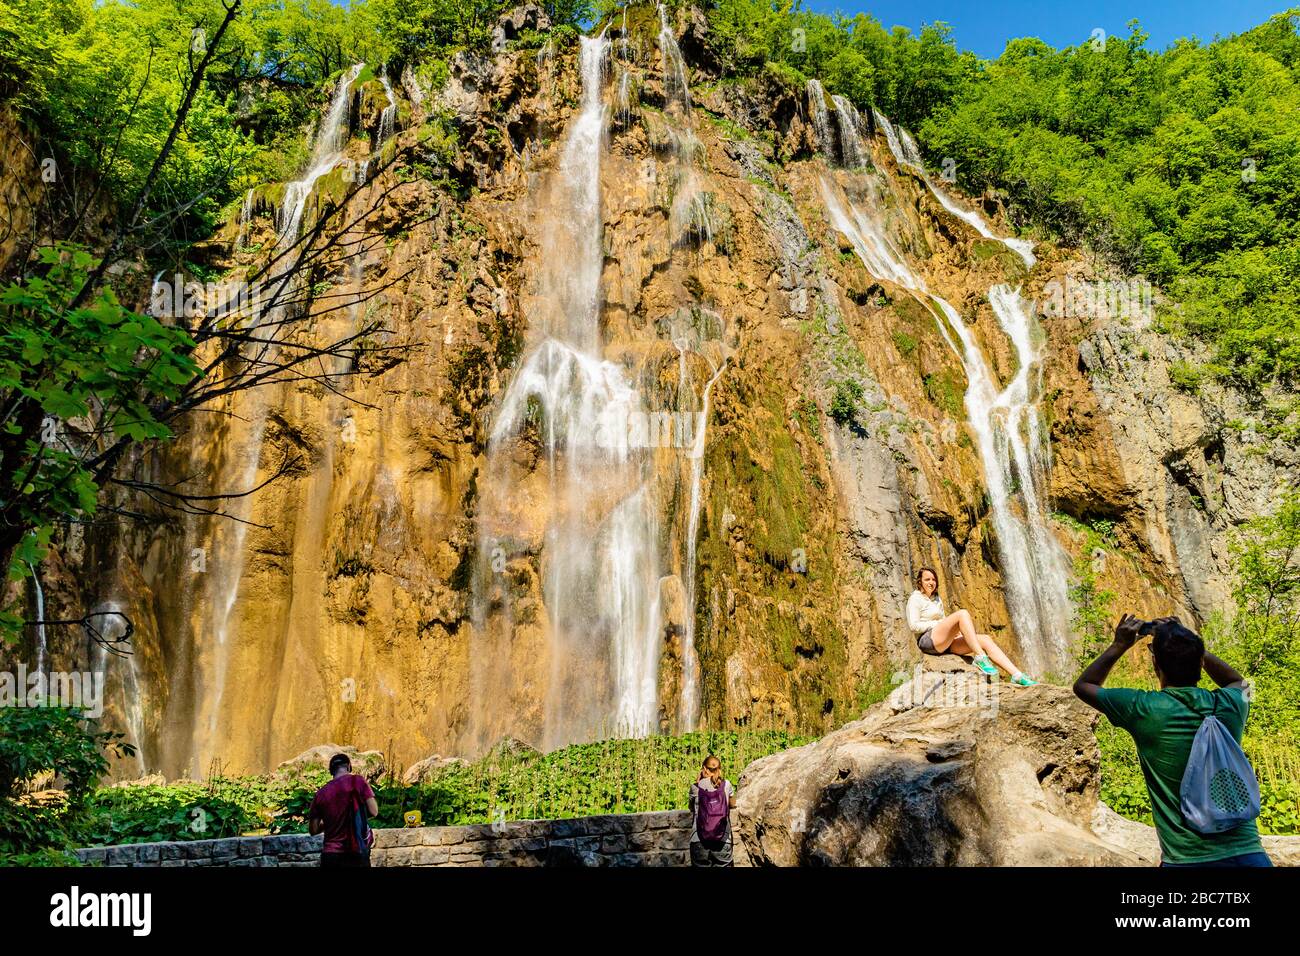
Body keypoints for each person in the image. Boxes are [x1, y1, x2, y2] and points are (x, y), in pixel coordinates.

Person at [1073, 614, 1271, 867]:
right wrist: (1189, 644)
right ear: (1201, 662)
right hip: (1250, 856)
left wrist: (1119, 644)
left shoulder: (1144, 709)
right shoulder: (1229, 704)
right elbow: (1241, 684)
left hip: (1187, 859)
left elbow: (1084, 685)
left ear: (1156, 663)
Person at [906, 566, 1037, 685]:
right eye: (927, 579)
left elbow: (943, 621)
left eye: (933, 579)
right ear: (920, 582)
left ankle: (1017, 675)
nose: (931, 582)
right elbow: (913, 626)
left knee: (985, 639)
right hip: (927, 641)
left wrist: (952, 632)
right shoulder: (915, 598)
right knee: (962, 614)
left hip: (943, 642)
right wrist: (937, 624)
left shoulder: (936, 599)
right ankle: (980, 657)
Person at [308, 753, 379, 868]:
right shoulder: (358, 781)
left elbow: (313, 830)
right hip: (356, 853)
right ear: (349, 766)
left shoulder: (320, 794)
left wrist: (330, 821)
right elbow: (374, 811)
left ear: (331, 771)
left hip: (330, 855)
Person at [688, 754, 736, 867]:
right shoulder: (726, 785)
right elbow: (733, 804)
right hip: (723, 840)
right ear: (719, 769)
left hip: (698, 840)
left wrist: (700, 781)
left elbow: (691, 808)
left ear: (704, 768)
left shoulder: (695, 787)